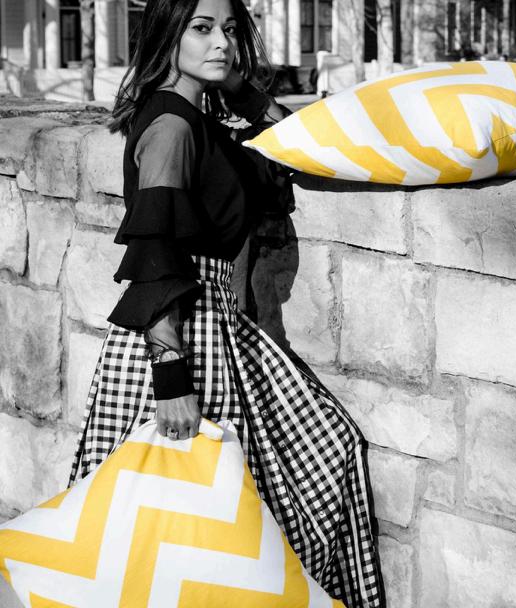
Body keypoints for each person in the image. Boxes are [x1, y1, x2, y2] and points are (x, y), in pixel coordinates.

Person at [67, 0, 384, 605]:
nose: (222, 43)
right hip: (184, 332)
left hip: (219, 326)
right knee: (201, 510)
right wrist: (171, 379)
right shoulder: (172, 126)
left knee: (229, 501)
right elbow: (155, 246)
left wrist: (236, 83)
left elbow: (292, 141)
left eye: (232, 31)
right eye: (202, 29)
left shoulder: (198, 115)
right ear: (168, 34)